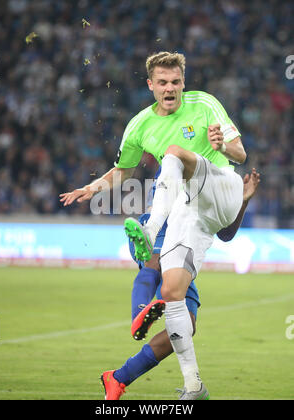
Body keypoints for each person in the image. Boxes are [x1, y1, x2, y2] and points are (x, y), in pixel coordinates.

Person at [59, 51, 247, 399]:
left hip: (217, 186)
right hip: (187, 216)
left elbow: (240, 153)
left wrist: (223, 145)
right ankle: (174, 383)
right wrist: (91, 188)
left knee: (174, 154)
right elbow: (124, 172)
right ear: (150, 85)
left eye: (176, 81)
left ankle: (144, 283)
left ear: (184, 83)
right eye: (162, 82)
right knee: (182, 316)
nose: (170, 88)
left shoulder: (204, 104)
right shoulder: (140, 125)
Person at [100, 168, 260, 400]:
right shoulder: (183, 156)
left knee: (187, 326)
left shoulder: (222, 176)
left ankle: (118, 378)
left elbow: (225, 234)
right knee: (157, 261)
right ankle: (139, 313)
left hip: (186, 245)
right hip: (161, 227)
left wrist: (242, 201)